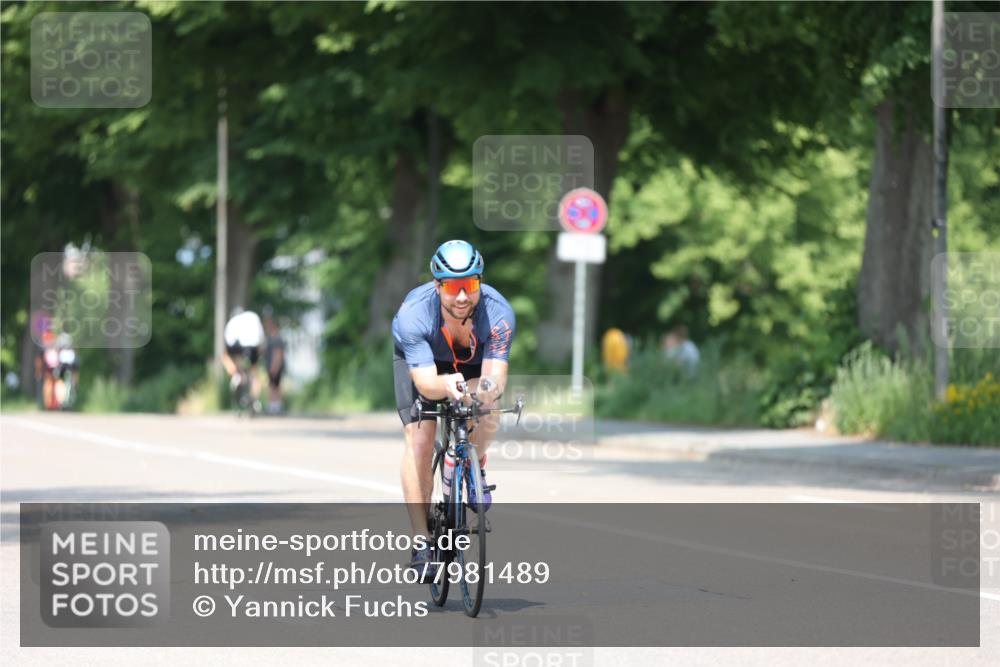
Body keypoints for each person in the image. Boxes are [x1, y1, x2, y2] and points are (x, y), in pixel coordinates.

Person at [392, 240, 515, 581]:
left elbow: (495, 378)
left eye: (470, 285)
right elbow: (427, 382)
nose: (462, 296)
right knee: (419, 440)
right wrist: (448, 386)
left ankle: (468, 463)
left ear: (479, 281)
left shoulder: (499, 313)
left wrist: (484, 392)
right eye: (452, 287)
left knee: (489, 407)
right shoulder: (414, 315)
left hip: (474, 364)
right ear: (437, 285)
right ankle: (420, 542)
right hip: (425, 365)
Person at [222, 307, 266, 410]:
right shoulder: (253, 316)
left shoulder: (232, 322)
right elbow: (261, 338)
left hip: (237, 348)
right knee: (255, 374)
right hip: (253, 347)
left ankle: (237, 374)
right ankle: (254, 399)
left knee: (225, 356)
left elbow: (229, 341)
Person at [262, 307, 285, 415]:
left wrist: (274, 367)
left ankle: (276, 406)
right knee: (273, 385)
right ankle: (274, 405)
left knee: (274, 386)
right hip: (271, 365)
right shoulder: (269, 338)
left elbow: (278, 354)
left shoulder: (276, 339)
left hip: (275, 366)